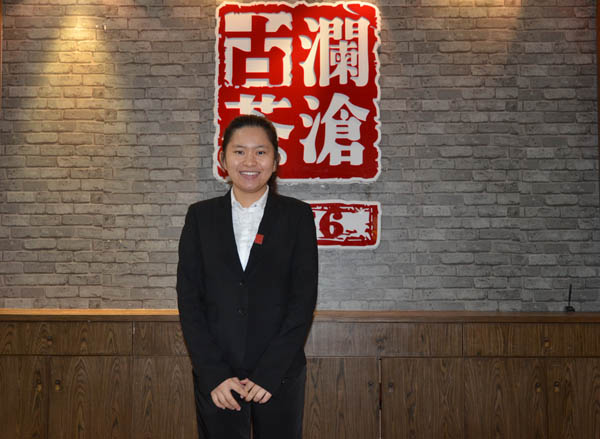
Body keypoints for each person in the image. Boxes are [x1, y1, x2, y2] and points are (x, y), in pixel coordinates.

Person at [176, 114, 318, 439]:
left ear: (276, 160)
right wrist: (213, 373)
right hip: (218, 379)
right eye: (239, 152)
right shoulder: (200, 217)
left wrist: (270, 373)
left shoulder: (297, 216)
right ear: (223, 159)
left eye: (261, 152)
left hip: (279, 375)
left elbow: (302, 301)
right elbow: (190, 301)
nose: (250, 161)